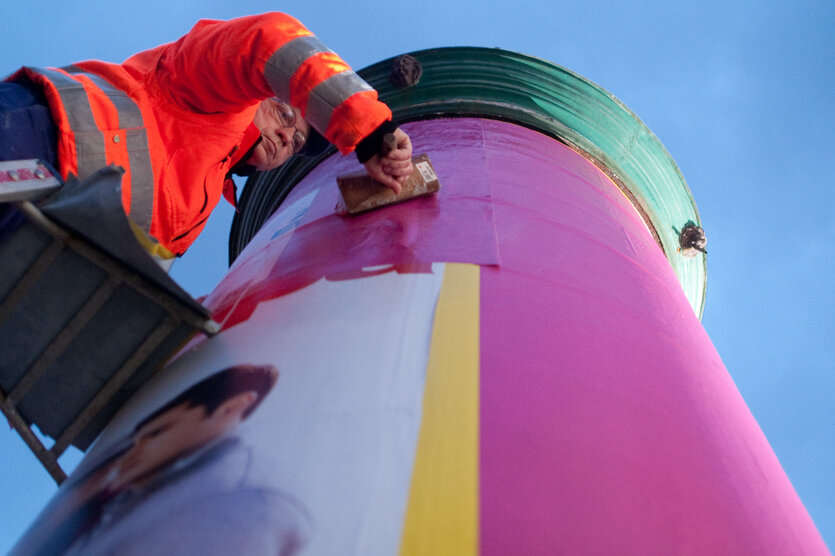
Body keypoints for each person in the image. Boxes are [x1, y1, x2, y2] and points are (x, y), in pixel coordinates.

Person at [1, 12, 413, 261]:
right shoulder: (211, 93)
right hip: (44, 139)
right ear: (258, 93)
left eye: (298, 143)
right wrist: (369, 129)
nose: (288, 137)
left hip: (38, 243)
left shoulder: (203, 200)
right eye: (286, 114)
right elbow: (268, 39)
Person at [10, 363, 312, 556]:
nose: (132, 453)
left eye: (156, 434)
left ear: (231, 408)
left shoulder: (239, 505)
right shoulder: (146, 484)